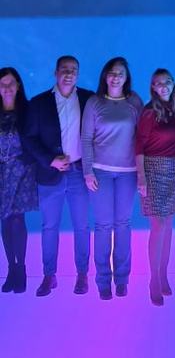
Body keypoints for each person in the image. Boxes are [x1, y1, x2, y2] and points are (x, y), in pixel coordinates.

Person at [25, 56, 93, 297]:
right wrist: (50, 160)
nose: (69, 74)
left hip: (78, 171)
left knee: (82, 227)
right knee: (49, 227)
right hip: (50, 173)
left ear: (78, 73)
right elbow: (29, 139)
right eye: (64, 70)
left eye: (73, 70)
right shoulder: (39, 103)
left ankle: (83, 274)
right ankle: (48, 275)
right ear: (55, 73)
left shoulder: (88, 98)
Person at [82, 57, 143, 300]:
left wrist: (142, 172)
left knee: (123, 226)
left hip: (128, 173)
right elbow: (86, 139)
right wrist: (87, 171)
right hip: (100, 173)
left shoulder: (134, 101)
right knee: (103, 226)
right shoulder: (94, 102)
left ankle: (122, 279)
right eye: (112, 72)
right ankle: (103, 281)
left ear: (126, 77)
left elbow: (142, 138)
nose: (116, 77)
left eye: (121, 73)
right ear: (105, 76)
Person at [136, 68, 175, 306]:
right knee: (159, 224)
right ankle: (153, 279)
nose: (163, 86)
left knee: (168, 227)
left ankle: (164, 275)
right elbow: (139, 146)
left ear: (173, 84)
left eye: (167, 82)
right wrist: (141, 177)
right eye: (158, 83)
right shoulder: (148, 112)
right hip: (152, 170)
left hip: (173, 169)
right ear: (153, 87)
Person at [0, 67, 38, 293]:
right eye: (2, 84)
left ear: (18, 85)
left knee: (16, 219)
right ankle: (10, 268)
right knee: (4, 219)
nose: (6, 88)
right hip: (1, 172)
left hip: (22, 170)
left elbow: (35, 137)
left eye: (10, 83)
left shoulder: (28, 109)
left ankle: (21, 269)